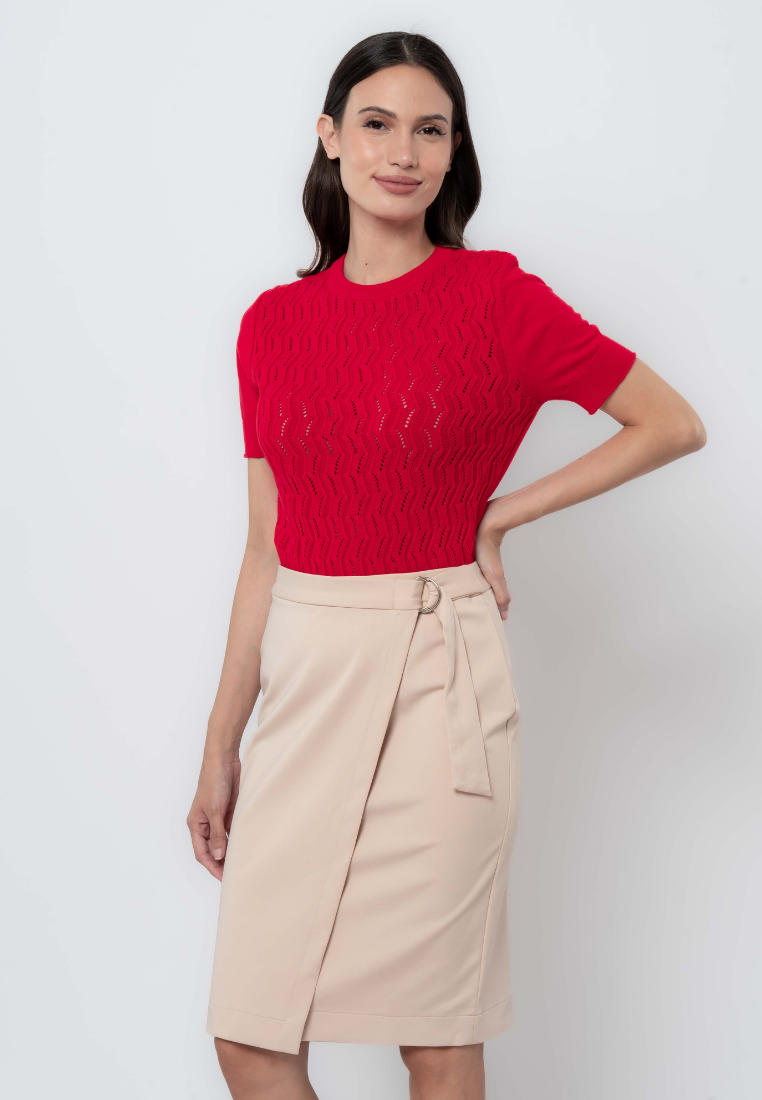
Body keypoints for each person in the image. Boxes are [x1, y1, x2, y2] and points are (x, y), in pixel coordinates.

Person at [187, 30, 706, 1100]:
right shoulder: (272, 325)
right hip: (305, 686)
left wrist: (501, 516)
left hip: (439, 679)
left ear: (454, 151)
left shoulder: (497, 300)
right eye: (377, 124)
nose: (404, 152)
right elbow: (263, 548)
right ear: (330, 137)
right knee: (250, 1034)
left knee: (434, 1037)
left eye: (431, 130)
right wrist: (219, 746)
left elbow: (670, 422)